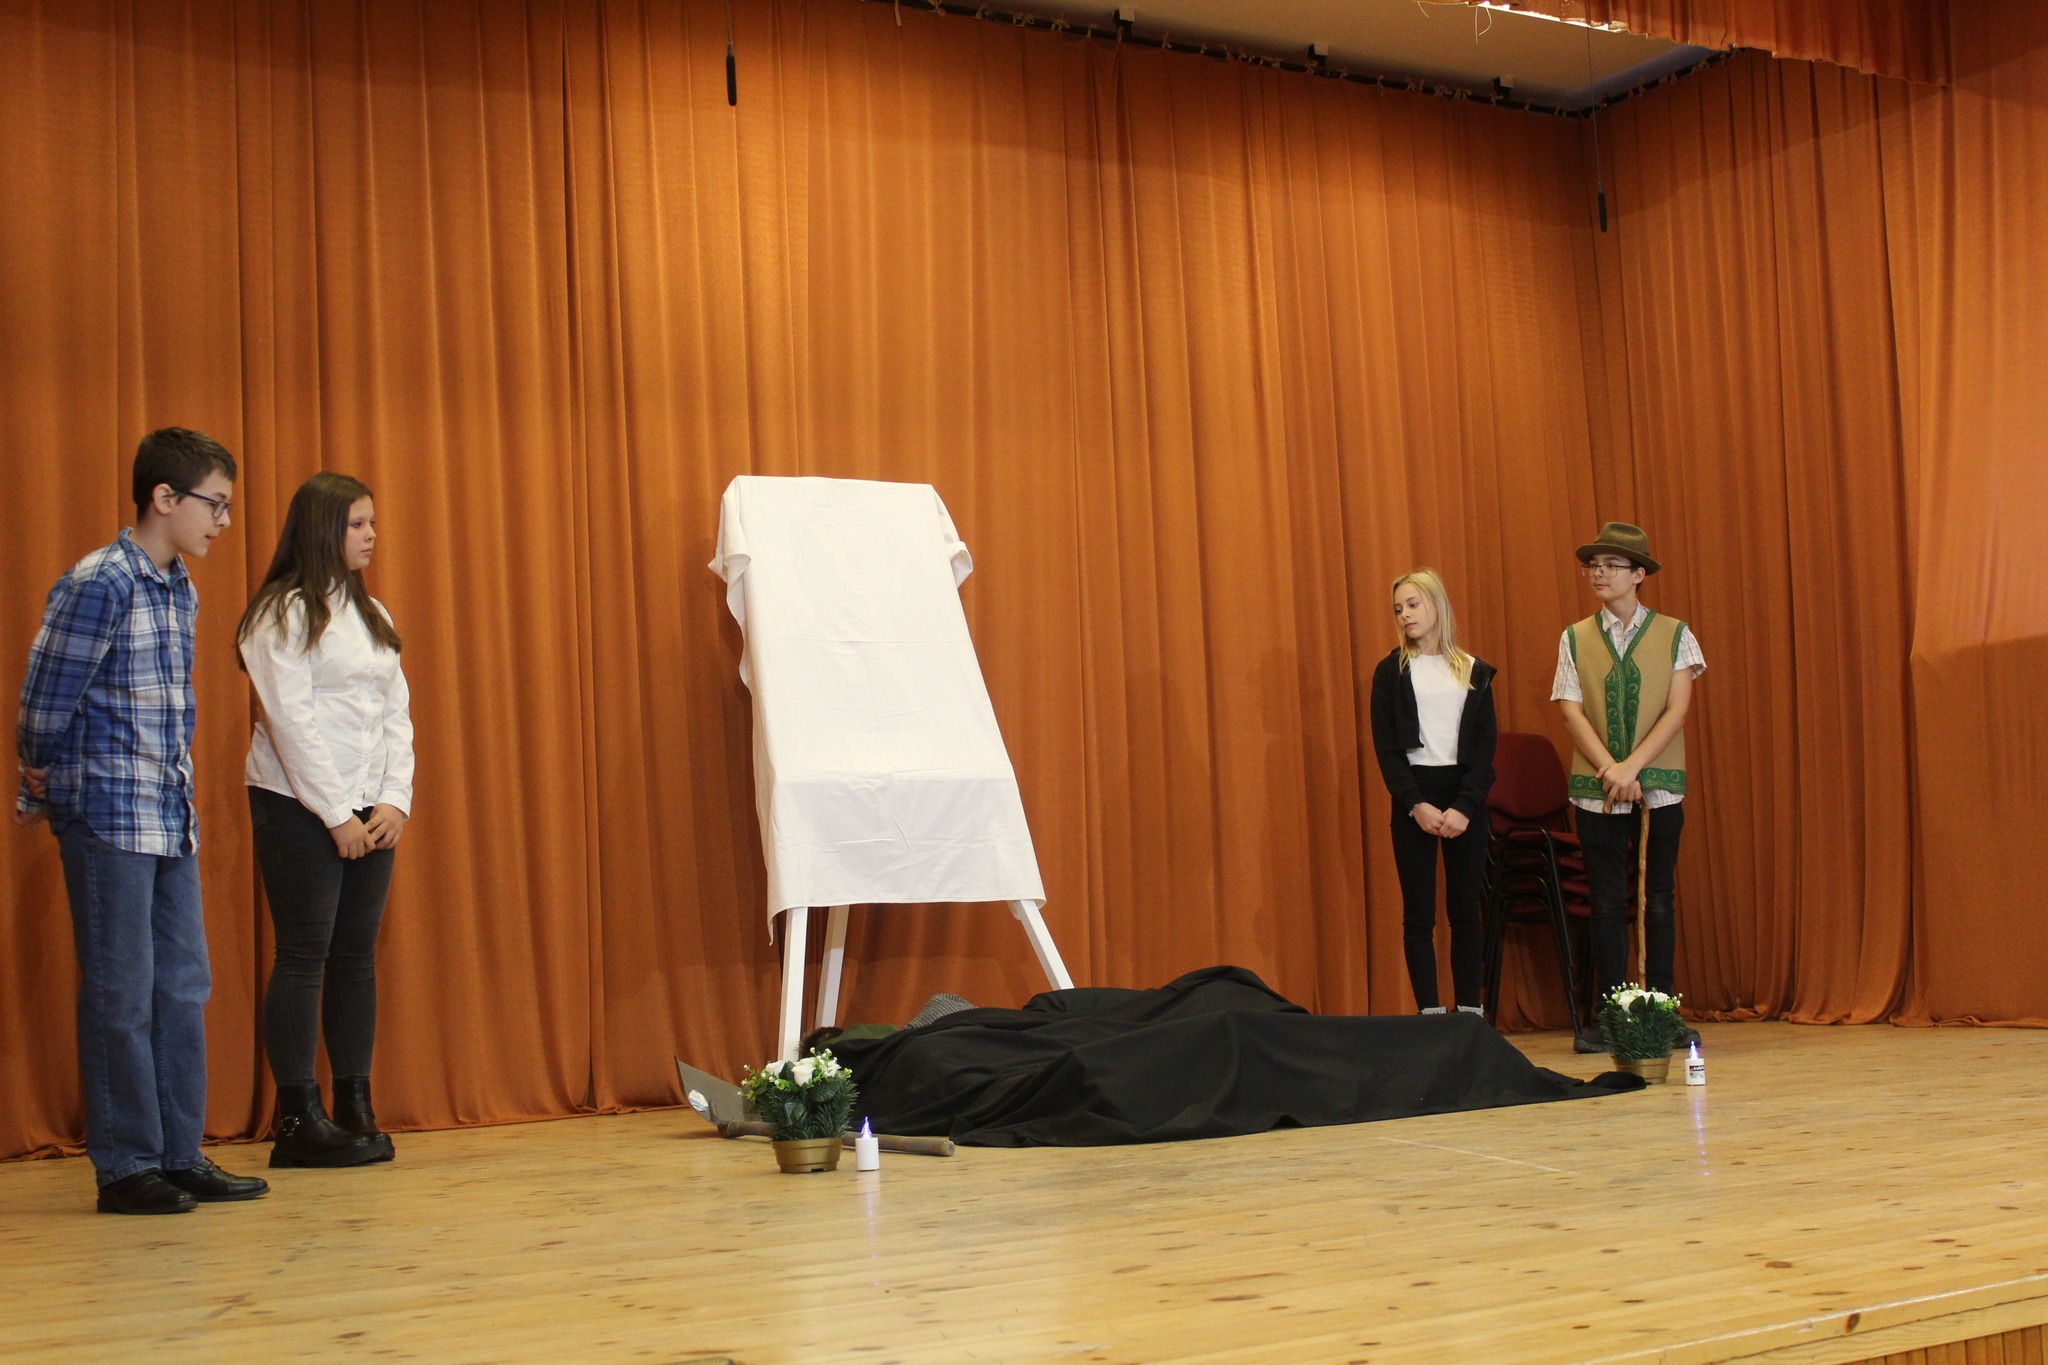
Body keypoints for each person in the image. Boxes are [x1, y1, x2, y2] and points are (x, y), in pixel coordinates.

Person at [15, 428, 269, 1214]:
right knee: (121, 993)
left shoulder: (178, 585)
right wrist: (40, 768)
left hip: (168, 813)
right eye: (214, 505)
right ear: (165, 497)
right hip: (107, 814)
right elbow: (46, 695)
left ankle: (177, 1152)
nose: (224, 521)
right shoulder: (101, 581)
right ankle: (126, 1164)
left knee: (183, 985)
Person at [237, 472, 413, 1167]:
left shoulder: (375, 614)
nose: (371, 535)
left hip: (369, 805)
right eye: (357, 524)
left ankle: (353, 1103)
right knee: (304, 953)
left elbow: (396, 714)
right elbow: (291, 722)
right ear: (321, 530)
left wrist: (393, 799)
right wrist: (337, 813)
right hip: (296, 804)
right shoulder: (279, 612)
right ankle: (297, 1118)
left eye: (372, 522)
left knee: (355, 957)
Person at [1550, 522, 1705, 1054]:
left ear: (1639, 575)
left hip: (1659, 785)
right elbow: (1570, 710)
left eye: (1612, 566)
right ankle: (1611, 1014)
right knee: (1607, 899)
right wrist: (1610, 769)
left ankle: (1662, 1012)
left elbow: (1677, 709)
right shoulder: (1575, 637)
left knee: (1657, 896)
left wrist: (1634, 767)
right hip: (1597, 787)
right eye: (1593, 566)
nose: (1600, 573)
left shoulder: (1675, 633)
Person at [1369, 569, 1498, 1017]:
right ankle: (1430, 1014)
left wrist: (1465, 806)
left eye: (1413, 604)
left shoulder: (1474, 671)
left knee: (1465, 909)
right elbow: (1387, 750)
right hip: (1415, 796)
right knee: (1419, 913)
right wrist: (1415, 805)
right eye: (1398, 609)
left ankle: (1469, 1011)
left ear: (1437, 605)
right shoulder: (1391, 672)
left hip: (1464, 797)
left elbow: (1485, 751)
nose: (1404, 615)